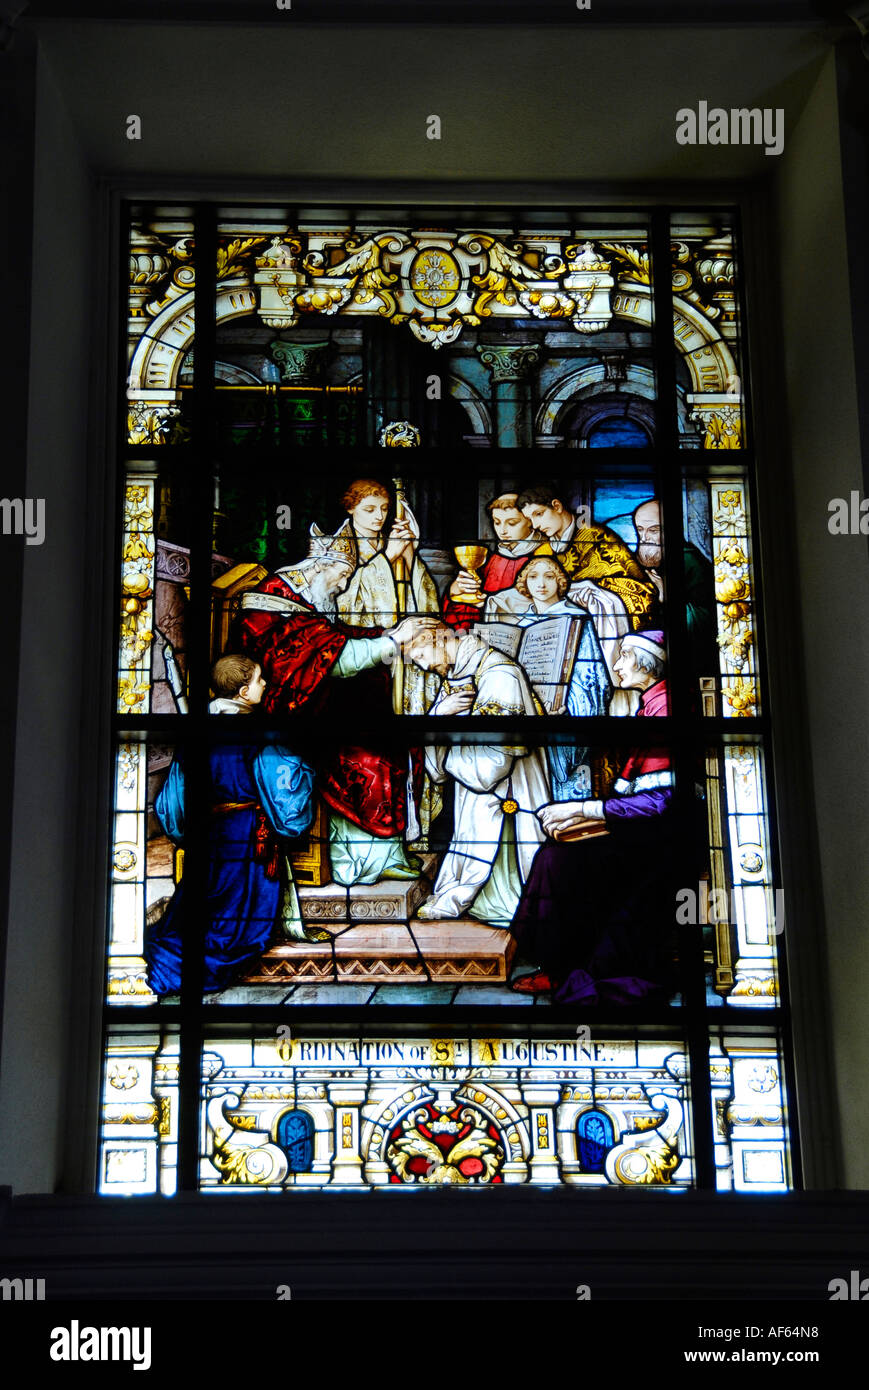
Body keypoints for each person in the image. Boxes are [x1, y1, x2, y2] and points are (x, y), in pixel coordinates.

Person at [236, 536, 429, 886]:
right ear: (318, 568)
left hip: (318, 710)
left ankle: (387, 855)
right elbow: (333, 659)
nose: (342, 588)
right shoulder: (268, 607)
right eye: (341, 576)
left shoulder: (302, 604)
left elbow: (334, 638)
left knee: (392, 744)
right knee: (367, 759)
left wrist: (387, 634)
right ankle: (352, 861)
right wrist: (392, 642)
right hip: (288, 721)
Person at [508, 630, 684, 1004]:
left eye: (624, 656)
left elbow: (662, 801)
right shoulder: (651, 704)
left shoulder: (665, 708)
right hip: (642, 835)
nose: (616, 665)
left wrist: (582, 810)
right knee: (556, 855)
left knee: (561, 862)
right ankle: (558, 967)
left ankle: (570, 970)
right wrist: (587, 820)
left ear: (647, 664)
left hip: (661, 844)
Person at [144, 655, 316, 995]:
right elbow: (284, 786)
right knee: (239, 925)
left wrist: (188, 831)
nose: (264, 684)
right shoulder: (258, 731)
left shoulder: (199, 728)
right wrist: (304, 765)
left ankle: (176, 955)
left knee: (204, 896)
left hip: (210, 833)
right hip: (250, 832)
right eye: (258, 680)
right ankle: (201, 960)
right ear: (241, 691)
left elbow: (175, 797)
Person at [399, 620, 550, 926]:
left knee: (511, 856)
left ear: (435, 640)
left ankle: (517, 908)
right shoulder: (459, 675)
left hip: (510, 791)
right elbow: (440, 768)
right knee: (474, 840)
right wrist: (438, 718)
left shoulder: (499, 673)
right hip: (474, 790)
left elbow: (491, 768)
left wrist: (445, 733)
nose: (425, 667)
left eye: (421, 657)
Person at [484, 554, 611, 798]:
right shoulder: (520, 624)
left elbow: (591, 676)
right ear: (524, 583)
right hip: (526, 722)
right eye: (533, 576)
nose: (540, 583)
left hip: (562, 718)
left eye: (549, 576)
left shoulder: (577, 619)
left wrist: (564, 708)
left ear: (560, 581)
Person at [631, 497, 718, 680]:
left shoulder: (689, 562)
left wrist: (666, 597)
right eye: (640, 530)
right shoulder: (634, 563)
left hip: (684, 667)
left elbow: (707, 622)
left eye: (653, 530)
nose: (645, 538)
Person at [443, 492, 541, 630]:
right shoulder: (493, 560)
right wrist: (456, 593)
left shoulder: (543, 555)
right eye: (497, 522)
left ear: (530, 521)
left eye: (512, 523)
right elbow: (470, 616)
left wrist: (488, 602)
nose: (502, 530)